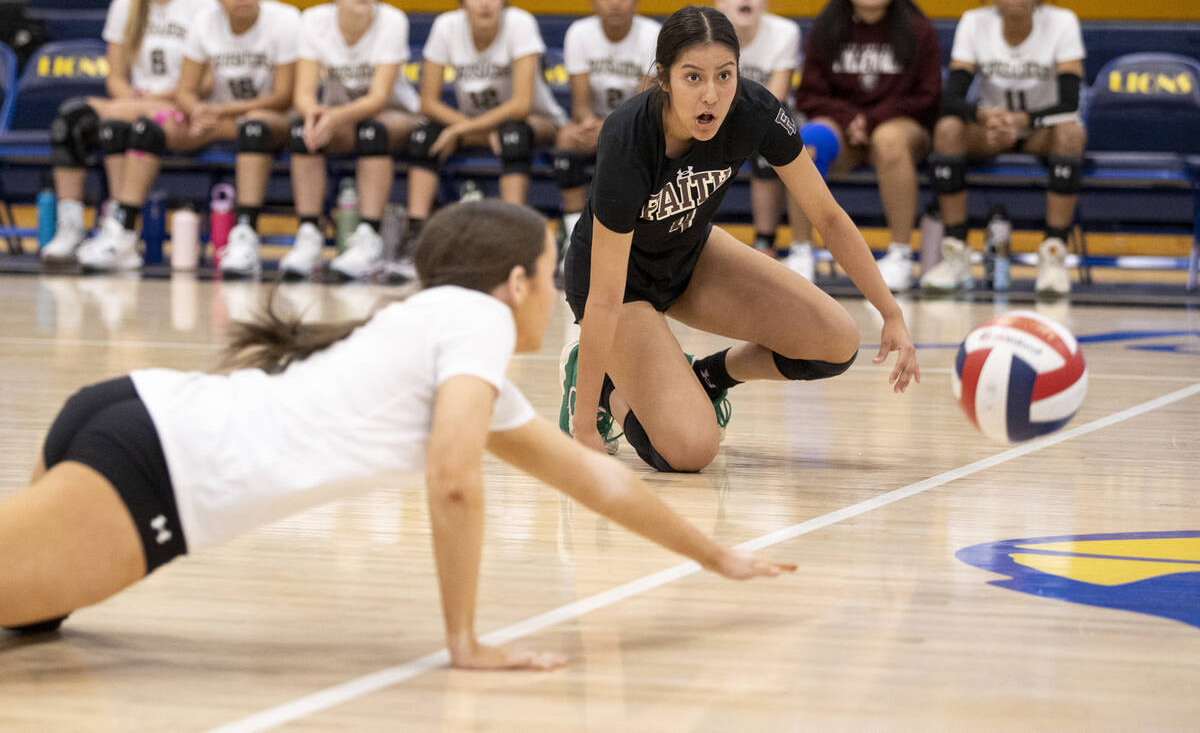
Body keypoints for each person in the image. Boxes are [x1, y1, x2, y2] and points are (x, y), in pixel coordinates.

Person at [0, 200, 795, 669]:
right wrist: (465, 641)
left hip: (133, 419)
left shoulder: (444, 336)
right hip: (154, 469)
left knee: (24, 632)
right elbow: (453, 479)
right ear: (512, 282)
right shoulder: (475, 318)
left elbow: (599, 480)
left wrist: (716, 554)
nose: (553, 296)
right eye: (550, 275)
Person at [561, 6, 919, 472]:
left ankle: (708, 377)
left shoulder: (754, 109)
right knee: (691, 451)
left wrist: (890, 313)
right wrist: (584, 427)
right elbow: (606, 295)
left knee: (836, 341)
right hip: (614, 286)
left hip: (688, 257)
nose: (711, 95)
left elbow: (827, 217)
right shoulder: (628, 137)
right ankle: (608, 391)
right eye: (693, 78)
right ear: (664, 78)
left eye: (724, 76)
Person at [76, 0, 299, 276]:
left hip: (272, 118)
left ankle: (246, 235)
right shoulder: (206, 21)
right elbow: (185, 90)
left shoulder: (284, 19)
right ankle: (123, 232)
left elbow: (283, 97)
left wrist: (215, 110)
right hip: (216, 120)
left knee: (254, 128)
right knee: (146, 129)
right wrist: (196, 110)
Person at [41, 0, 218, 265]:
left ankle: (122, 231)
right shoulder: (126, 3)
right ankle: (72, 226)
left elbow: (208, 81)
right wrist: (132, 98)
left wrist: (162, 97)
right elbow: (116, 79)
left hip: (179, 104)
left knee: (129, 126)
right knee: (70, 119)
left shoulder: (201, 1)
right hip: (135, 103)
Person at [920, 0, 1086, 298]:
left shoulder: (1062, 23)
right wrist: (983, 116)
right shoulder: (974, 22)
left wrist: (1021, 121)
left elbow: (1070, 102)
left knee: (1071, 133)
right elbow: (950, 99)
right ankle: (956, 252)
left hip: (1041, 130)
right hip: (992, 131)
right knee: (948, 129)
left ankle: (1054, 256)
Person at [795, 0, 942, 292]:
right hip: (845, 132)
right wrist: (851, 120)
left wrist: (872, 120)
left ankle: (901, 254)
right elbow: (809, 95)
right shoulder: (828, 28)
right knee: (808, 140)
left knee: (888, 139)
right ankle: (801, 252)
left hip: (901, 130)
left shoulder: (918, 30)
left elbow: (929, 96)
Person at [400, 0, 566, 275]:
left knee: (512, 135)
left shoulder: (519, 24)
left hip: (536, 120)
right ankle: (415, 236)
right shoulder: (446, 26)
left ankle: (516, 238)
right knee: (425, 137)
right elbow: (427, 102)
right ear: (462, 3)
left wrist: (463, 128)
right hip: (477, 124)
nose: (485, 2)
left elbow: (521, 104)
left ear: (504, 1)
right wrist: (471, 126)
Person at [281, 0, 423, 282]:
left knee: (372, 131)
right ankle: (309, 235)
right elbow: (302, 91)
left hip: (395, 116)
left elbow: (377, 98)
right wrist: (313, 113)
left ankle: (369, 238)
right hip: (341, 119)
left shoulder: (392, 20)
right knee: (305, 132)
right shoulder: (314, 20)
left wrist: (332, 116)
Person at [555, 0, 660, 270]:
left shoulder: (651, 33)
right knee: (565, 137)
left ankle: (633, 238)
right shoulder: (579, 33)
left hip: (638, 125)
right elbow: (580, 103)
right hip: (595, 123)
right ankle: (574, 234)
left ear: (636, 0)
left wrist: (611, 128)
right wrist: (590, 122)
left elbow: (646, 99)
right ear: (593, 0)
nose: (615, 2)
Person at [712, 0, 810, 277]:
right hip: (715, 115)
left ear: (764, 1)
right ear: (720, 1)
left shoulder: (784, 32)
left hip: (766, 117)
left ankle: (765, 242)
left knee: (770, 142)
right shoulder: (706, 34)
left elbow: (775, 98)